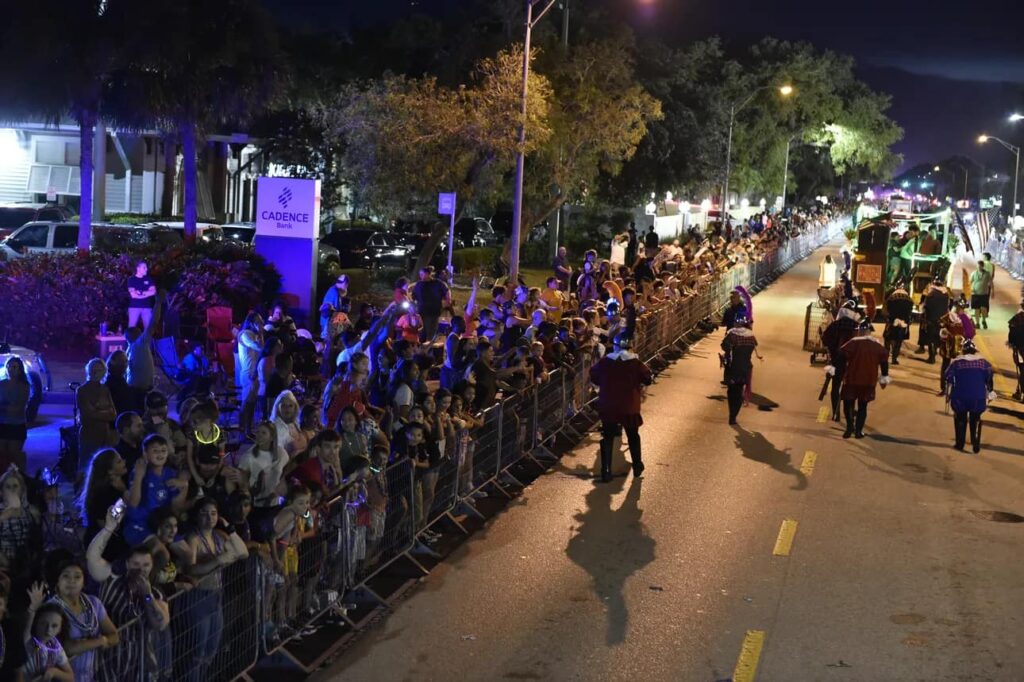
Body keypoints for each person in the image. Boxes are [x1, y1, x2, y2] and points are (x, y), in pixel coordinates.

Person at [588, 332, 653, 482]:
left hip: (609, 404)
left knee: (608, 436)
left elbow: (594, 376)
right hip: (628, 405)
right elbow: (647, 378)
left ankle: (606, 470)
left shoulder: (605, 362)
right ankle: (637, 464)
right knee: (632, 435)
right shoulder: (636, 363)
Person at [45, 553, 120, 682]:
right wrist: (99, 641)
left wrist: (101, 640)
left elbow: (114, 635)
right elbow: (65, 649)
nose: (72, 581)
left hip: (92, 675)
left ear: (84, 580)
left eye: (77, 576)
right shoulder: (51, 608)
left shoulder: (93, 603)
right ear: (57, 581)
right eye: (66, 576)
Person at [838, 320, 891, 439]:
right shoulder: (877, 346)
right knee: (863, 406)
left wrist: (838, 372)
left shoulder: (852, 343)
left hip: (851, 379)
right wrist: (884, 376)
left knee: (848, 404)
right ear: (870, 332)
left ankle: (849, 428)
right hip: (868, 381)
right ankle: (858, 431)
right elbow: (884, 362)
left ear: (859, 331)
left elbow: (841, 356)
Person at [944, 339, 994, 453]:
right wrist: (990, 392)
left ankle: (960, 443)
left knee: (960, 418)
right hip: (977, 397)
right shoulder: (983, 363)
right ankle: (975, 441)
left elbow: (948, 376)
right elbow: (989, 378)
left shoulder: (956, 363)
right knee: (975, 417)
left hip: (960, 397)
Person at [821, 300, 861, 421]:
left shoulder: (835, 325)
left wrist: (832, 349)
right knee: (850, 388)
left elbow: (825, 339)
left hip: (836, 361)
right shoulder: (856, 326)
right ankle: (849, 411)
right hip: (852, 363)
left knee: (835, 386)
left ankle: (835, 412)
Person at [77, 359, 118, 469]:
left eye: (99, 370)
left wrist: (97, 411)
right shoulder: (82, 390)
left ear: (104, 372)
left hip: (105, 435)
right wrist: (104, 412)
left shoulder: (105, 389)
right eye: (93, 369)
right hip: (89, 434)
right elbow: (87, 414)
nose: (95, 372)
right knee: (87, 467)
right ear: (88, 371)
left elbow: (113, 414)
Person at [721, 315, 761, 425]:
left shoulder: (732, 334)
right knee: (739, 391)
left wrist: (729, 351)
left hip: (733, 367)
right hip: (745, 368)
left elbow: (724, 346)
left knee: (731, 391)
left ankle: (732, 414)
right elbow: (753, 347)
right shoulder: (751, 336)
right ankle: (734, 415)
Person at [0, 356, 31, 470]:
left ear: (20, 369)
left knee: (14, 455)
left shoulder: (24, 386)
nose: (11, 369)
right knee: (2, 456)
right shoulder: (1, 384)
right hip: (2, 424)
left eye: (14, 367)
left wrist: (3, 407)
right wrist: (7, 407)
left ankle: (20, 480)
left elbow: (18, 408)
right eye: (8, 366)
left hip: (16, 425)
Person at [411, 266, 450, 342]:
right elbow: (413, 296)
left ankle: (429, 348)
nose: (421, 276)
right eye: (420, 274)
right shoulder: (419, 284)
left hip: (433, 312)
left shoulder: (438, 283)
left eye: (422, 274)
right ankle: (422, 346)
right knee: (422, 330)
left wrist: (448, 299)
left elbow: (447, 291)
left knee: (431, 331)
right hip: (421, 311)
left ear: (428, 274)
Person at [937, 303, 966, 396]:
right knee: (950, 367)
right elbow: (940, 324)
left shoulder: (962, 318)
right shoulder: (954, 317)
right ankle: (948, 388)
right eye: (961, 308)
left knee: (951, 367)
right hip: (953, 346)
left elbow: (971, 330)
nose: (962, 310)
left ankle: (949, 389)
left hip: (954, 346)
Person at [919, 276, 949, 361]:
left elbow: (926, 307)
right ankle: (935, 352)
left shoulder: (931, 294)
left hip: (931, 319)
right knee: (937, 338)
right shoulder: (946, 294)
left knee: (931, 338)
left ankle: (931, 357)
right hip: (942, 320)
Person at [883, 281, 913, 365]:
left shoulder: (891, 298)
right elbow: (910, 313)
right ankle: (894, 358)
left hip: (892, 322)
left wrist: (888, 320)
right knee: (898, 341)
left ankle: (885, 357)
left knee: (888, 340)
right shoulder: (909, 300)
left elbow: (886, 311)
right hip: (903, 323)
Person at [127, 260, 157, 330]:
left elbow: (153, 292)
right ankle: (130, 341)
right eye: (144, 267)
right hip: (134, 307)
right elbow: (133, 295)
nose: (146, 269)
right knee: (131, 329)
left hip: (147, 307)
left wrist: (141, 292)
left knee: (149, 329)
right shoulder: (131, 279)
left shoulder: (149, 279)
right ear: (138, 268)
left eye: (146, 267)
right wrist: (147, 293)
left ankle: (147, 341)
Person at [319, 274, 349, 340]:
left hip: (329, 324)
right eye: (346, 285)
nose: (346, 288)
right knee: (328, 346)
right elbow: (326, 309)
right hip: (327, 324)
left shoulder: (335, 291)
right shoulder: (334, 292)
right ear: (345, 284)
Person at [969, 254, 994, 330]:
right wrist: (970, 289)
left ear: (983, 266)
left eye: (980, 266)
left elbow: (991, 282)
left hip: (984, 294)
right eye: (978, 266)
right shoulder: (973, 273)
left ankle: (983, 320)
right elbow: (970, 282)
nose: (979, 267)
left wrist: (993, 291)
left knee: (983, 309)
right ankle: (977, 323)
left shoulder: (987, 274)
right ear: (977, 266)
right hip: (975, 294)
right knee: (976, 309)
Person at [1009, 300, 1024, 401]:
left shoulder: (1018, 318)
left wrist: (1013, 346)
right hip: (1020, 349)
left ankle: (1020, 392)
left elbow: (1012, 333)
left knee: (1022, 371)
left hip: (1021, 349)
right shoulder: (1018, 317)